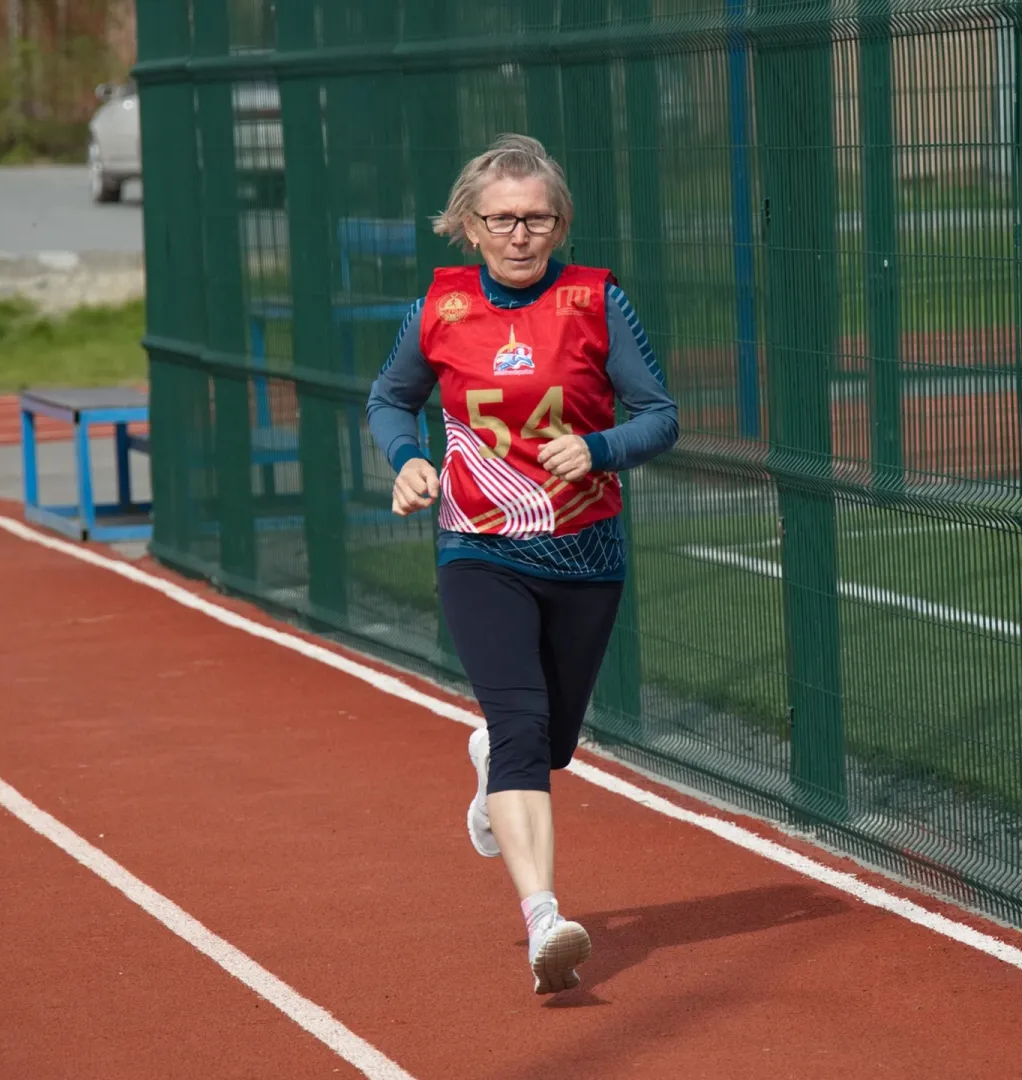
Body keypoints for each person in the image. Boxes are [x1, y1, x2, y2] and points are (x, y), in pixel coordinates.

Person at [364, 133, 678, 994]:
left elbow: (661, 413)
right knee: (520, 729)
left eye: (537, 218)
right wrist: (407, 460)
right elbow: (392, 397)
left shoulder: (596, 300)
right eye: (501, 218)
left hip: (586, 551)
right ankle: (545, 916)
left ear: (561, 222)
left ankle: (494, 770)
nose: (519, 234)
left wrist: (603, 446)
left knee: (555, 741)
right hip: (480, 546)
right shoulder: (440, 305)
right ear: (467, 225)